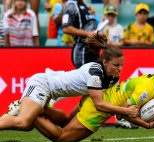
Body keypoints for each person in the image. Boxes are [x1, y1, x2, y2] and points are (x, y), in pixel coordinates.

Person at [33, 45, 154, 142]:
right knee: (61, 138)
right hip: (98, 110)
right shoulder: (148, 89)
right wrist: (145, 124)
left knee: (65, 122)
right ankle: (33, 115)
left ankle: (40, 110)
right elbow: (124, 113)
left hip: (97, 100)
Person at [0, 33, 138, 131]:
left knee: (61, 123)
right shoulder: (95, 72)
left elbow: (88, 101)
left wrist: (123, 112)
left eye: (121, 65)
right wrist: (125, 111)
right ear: (105, 61)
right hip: (43, 84)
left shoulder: (112, 79)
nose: (120, 69)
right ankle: (22, 110)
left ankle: (24, 108)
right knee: (23, 123)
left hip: (51, 91)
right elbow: (100, 104)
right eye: (116, 65)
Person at [61, 0, 99, 69]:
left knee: (94, 77)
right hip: (82, 50)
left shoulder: (85, 6)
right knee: (83, 77)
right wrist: (88, 34)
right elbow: (65, 28)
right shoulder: (71, 6)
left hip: (92, 49)